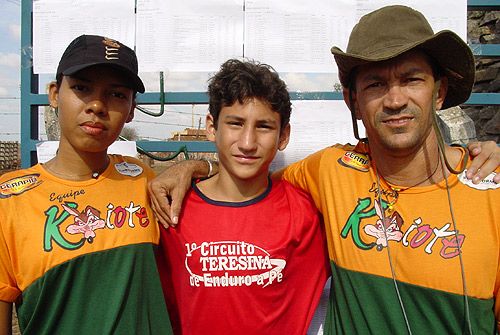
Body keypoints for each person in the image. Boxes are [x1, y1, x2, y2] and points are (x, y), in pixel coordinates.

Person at [149, 6, 500, 334]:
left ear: (439, 93)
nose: (395, 100)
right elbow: (246, 178)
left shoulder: (491, 190)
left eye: (411, 80)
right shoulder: (329, 171)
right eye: (376, 84)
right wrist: (195, 165)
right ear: (354, 102)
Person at [0, 35, 172, 334]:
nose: (97, 105)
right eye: (81, 88)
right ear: (54, 94)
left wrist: (196, 165)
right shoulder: (9, 201)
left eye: (117, 94)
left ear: (132, 108)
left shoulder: (145, 180)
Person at [155, 59, 329, 334]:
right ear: (212, 127)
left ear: (283, 135)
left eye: (264, 127)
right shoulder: (171, 209)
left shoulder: (307, 216)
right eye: (235, 123)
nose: (247, 142)